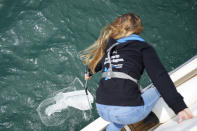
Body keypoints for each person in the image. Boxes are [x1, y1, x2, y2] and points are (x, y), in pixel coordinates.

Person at [80, 13, 193, 131]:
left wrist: (89, 72)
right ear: (138, 29)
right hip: (129, 112)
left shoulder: (110, 45)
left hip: (102, 108)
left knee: (121, 110)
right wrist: (179, 106)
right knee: (158, 87)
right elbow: (160, 78)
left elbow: (101, 61)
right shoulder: (143, 47)